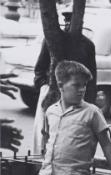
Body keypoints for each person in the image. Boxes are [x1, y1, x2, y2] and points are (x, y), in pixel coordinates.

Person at [33, 10, 97, 154]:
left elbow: (92, 79)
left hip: (76, 99)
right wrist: (45, 87)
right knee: (43, 135)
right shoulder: (52, 41)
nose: (69, 27)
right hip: (51, 94)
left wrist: (89, 100)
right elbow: (39, 71)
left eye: (72, 23)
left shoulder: (87, 46)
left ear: (80, 24)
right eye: (66, 23)